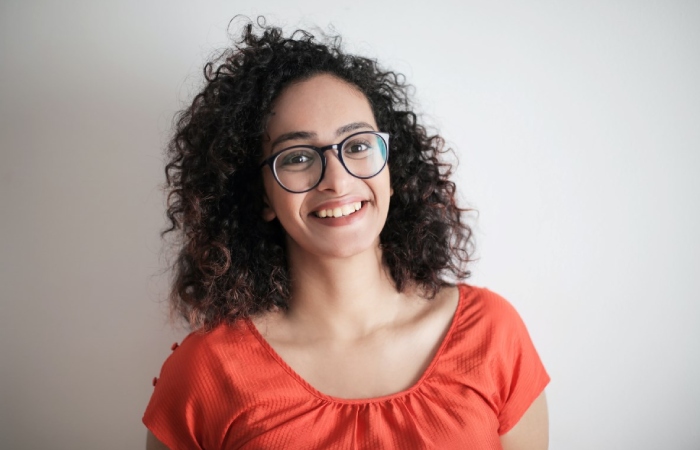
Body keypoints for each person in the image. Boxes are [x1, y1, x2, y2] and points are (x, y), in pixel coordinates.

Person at [143, 19, 549, 450]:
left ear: (392, 171)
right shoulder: (206, 373)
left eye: (356, 145)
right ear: (260, 195)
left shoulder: (492, 334)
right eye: (298, 156)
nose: (336, 180)